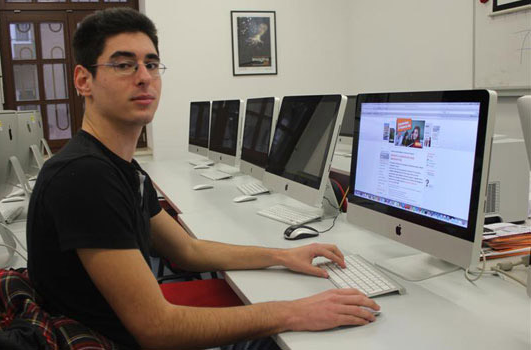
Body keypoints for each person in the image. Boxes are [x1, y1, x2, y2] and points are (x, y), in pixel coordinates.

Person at [26, 8, 379, 350]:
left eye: (151, 64)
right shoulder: (84, 177)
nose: (144, 76)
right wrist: (291, 312)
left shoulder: (120, 167)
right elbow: (157, 329)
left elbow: (188, 250)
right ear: (83, 80)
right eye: (123, 65)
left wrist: (283, 256)